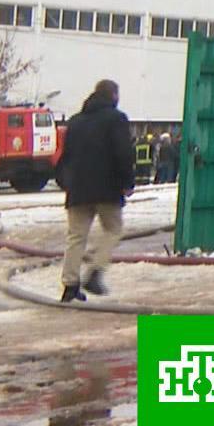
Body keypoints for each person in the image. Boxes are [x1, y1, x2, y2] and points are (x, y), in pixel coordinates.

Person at [59, 80, 135, 302]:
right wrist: (127, 182)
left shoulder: (75, 122)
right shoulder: (116, 119)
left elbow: (66, 157)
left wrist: (67, 182)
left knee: (76, 237)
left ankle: (70, 286)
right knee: (113, 229)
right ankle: (95, 271)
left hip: (78, 189)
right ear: (113, 95)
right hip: (107, 187)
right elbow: (123, 153)